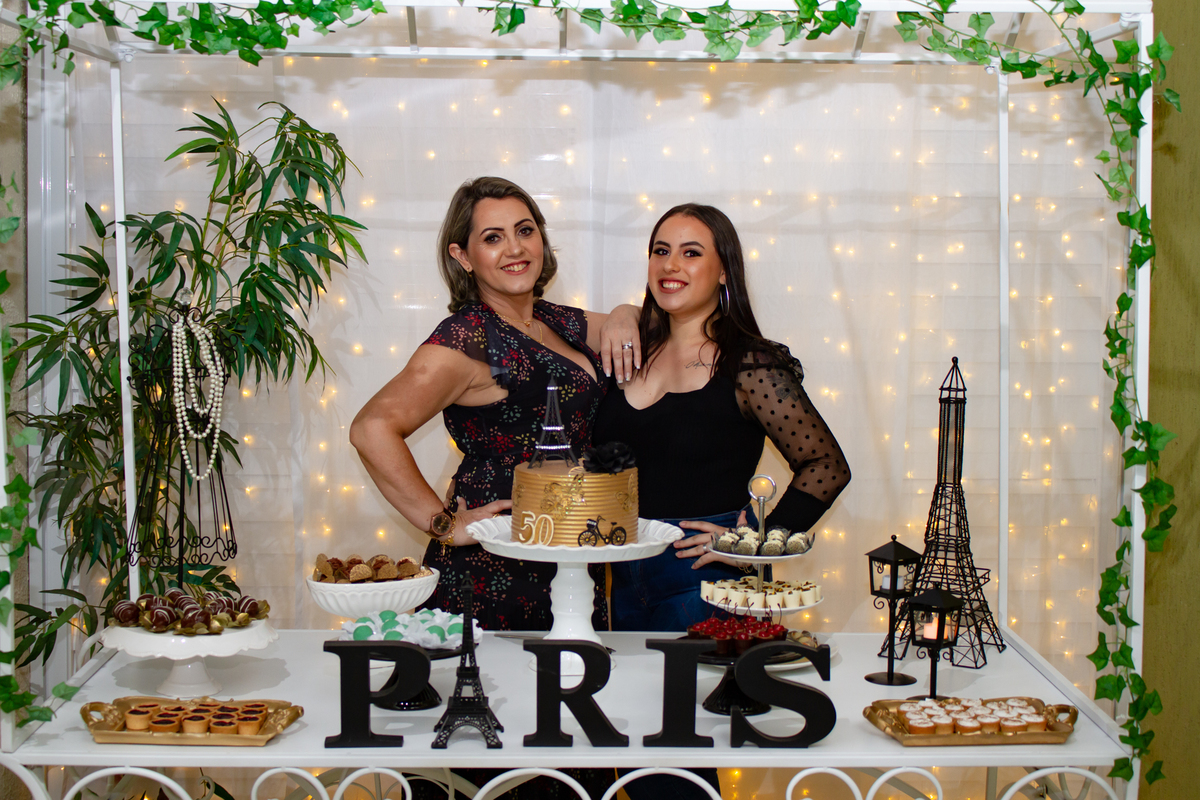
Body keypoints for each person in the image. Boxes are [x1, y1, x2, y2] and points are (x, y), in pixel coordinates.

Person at [351, 177, 639, 800]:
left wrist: (622, 312)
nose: (515, 248)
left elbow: (633, 324)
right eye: (492, 237)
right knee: (494, 758)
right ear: (462, 255)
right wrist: (443, 523)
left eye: (525, 231)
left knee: (565, 737)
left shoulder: (552, 319)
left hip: (567, 554)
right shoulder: (467, 338)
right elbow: (372, 427)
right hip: (493, 569)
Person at [593, 203, 851, 800]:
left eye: (691, 252)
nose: (671, 265)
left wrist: (751, 542)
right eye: (661, 250)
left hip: (700, 581)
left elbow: (826, 467)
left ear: (724, 271)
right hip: (617, 578)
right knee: (627, 752)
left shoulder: (748, 362)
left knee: (679, 767)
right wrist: (622, 312)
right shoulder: (630, 348)